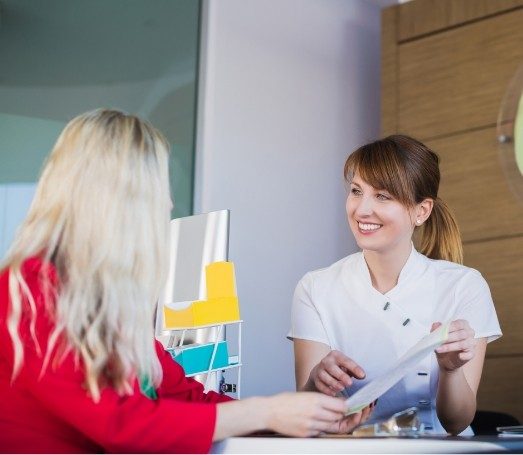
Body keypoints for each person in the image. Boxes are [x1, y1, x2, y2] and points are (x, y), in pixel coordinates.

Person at [0, 109, 371, 453]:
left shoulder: (104, 304)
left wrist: (302, 417)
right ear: (117, 201)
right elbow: (119, 422)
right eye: (157, 190)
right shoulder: (28, 290)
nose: (168, 205)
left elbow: (188, 400)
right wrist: (267, 412)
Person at [289, 134, 502, 436]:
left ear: (421, 211)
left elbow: (457, 421)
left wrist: (451, 370)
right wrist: (316, 382)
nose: (362, 210)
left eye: (382, 196)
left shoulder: (464, 286)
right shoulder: (315, 287)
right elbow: (308, 414)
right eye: (356, 191)